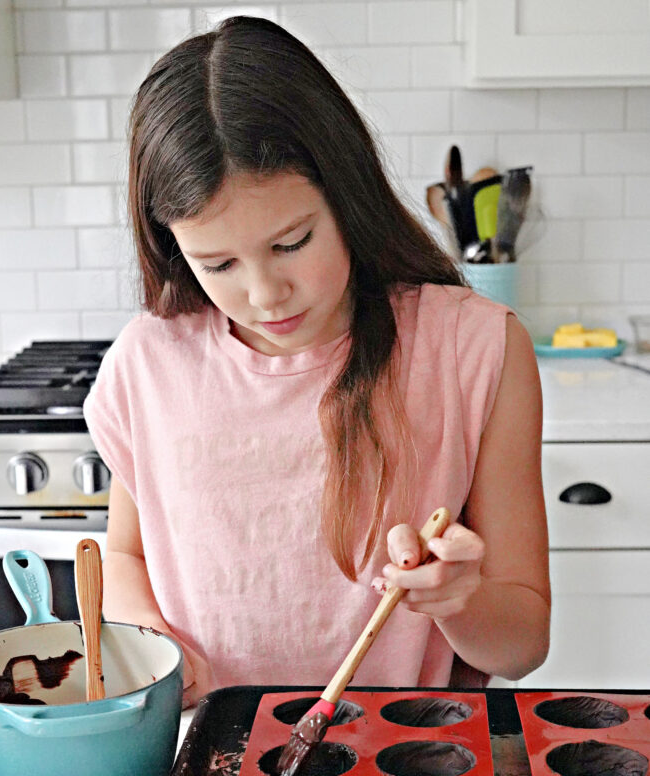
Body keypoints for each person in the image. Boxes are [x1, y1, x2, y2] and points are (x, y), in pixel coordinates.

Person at [83, 16, 550, 710]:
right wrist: (151, 643)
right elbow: (125, 557)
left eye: (292, 242)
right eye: (218, 263)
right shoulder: (147, 364)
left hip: (407, 766)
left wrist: (461, 600)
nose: (265, 294)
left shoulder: (473, 349)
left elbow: (522, 645)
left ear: (346, 196)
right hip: (210, 756)